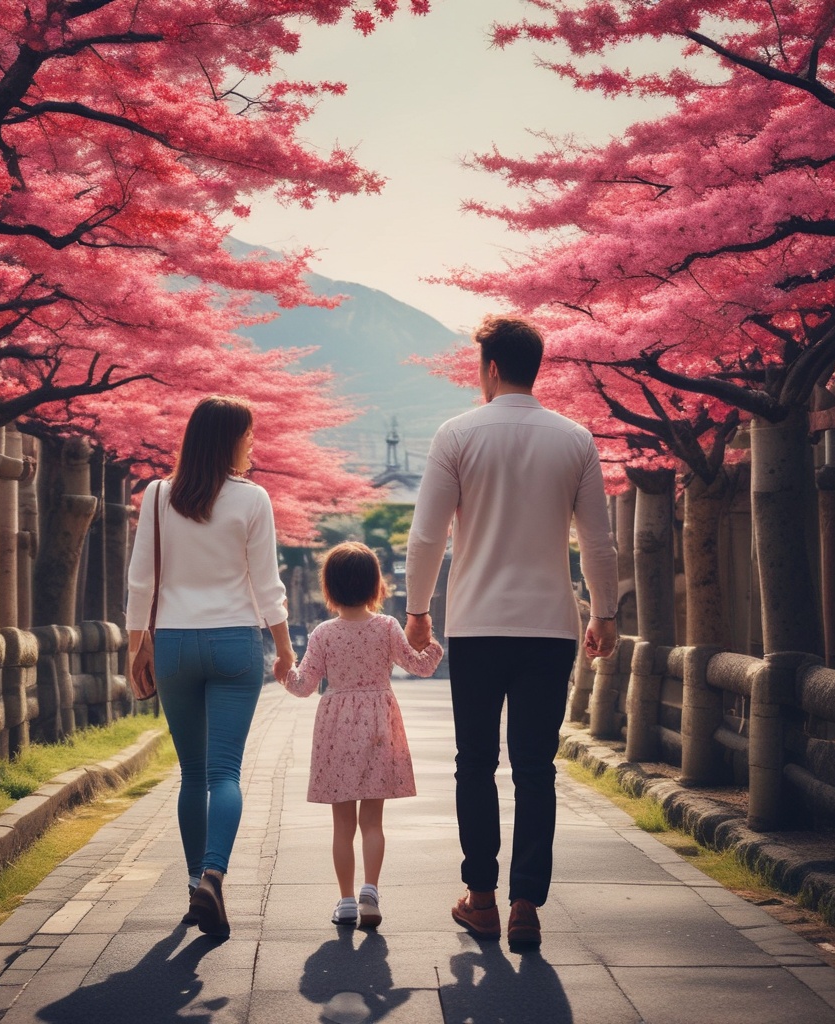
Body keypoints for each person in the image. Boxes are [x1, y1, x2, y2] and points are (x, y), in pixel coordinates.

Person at [404, 316, 619, 951]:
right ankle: (526, 904)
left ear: (491, 368)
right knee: (535, 766)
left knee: (475, 762)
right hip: (550, 626)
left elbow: (427, 534)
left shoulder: (457, 434)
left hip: (477, 624)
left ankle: (481, 899)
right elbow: (597, 541)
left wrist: (418, 609)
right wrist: (605, 612)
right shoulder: (575, 439)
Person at [126, 396, 296, 938]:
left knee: (193, 775)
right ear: (228, 440)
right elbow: (267, 583)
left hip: (174, 644)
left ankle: (193, 884)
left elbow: (140, 581)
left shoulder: (158, 496)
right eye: (248, 435)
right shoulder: (253, 499)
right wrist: (284, 647)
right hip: (234, 642)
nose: (253, 444)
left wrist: (136, 647)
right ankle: (213, 877)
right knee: (224, 773)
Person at [281, 542, 443, 928]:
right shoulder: (386, 627)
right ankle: (371, 892)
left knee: (343, 825)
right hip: (378, 725)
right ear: (375, 585)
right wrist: (432, 645)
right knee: (373, 821)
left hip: (336, 727)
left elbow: (304, 686)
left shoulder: (323, 633)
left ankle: (347, 901)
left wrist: (284, 673)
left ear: (330, 587)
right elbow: (421, 667)